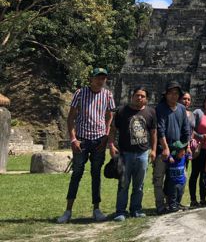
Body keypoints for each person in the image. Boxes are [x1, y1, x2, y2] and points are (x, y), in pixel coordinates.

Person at [57, 68, 116, 224]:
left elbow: (110, 115)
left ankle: (96, 209)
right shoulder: (80, 93)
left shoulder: (108, 95)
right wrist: (73, 139)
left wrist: (106, 134)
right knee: (76, 173)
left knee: (96, 174)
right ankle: (68, 211)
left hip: (99, 140)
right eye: (98, 77)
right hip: (82, 140)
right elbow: (71, 118)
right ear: (91, 78)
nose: (100, 80)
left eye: (103, 78)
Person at [109, 86, 157, 221]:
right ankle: (120, 211)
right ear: (132, 96)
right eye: (137, 95)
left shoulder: (150, 112)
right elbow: (112, 130)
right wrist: (111, 145)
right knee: (123, 183)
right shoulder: (122, 111)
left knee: (139, 184)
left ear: (146, 99)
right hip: (125, 154)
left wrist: (153, 150)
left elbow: (153, 133)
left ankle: (136, 209)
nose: (139, 98)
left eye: (142, 96)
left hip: (142, 154)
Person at [153, 81, 191, 214]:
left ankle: (174, 202)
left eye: (176, 93)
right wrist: (165, 148)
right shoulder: (161, 108)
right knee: (159, 178)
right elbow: (160, 129)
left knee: (180, 177)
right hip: (162, 149)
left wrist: (186, 147)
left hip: (179, 149)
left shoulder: (181, 108)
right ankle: (160, 205)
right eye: (171, 93)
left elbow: (186, 129)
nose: (173, 96)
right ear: (166, 94)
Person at [164, 141, 188, 212]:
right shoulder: (171, 159)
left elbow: (192, 155)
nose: (183, 153)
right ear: (176, 152)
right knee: (173, 195)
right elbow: (165, 157)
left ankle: (177, 205)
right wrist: (170, 157)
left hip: (181, 181)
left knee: (180, 194)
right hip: (173, 183)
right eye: (181, 151)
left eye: (184, 151)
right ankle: (172, 206)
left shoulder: (184, 157)